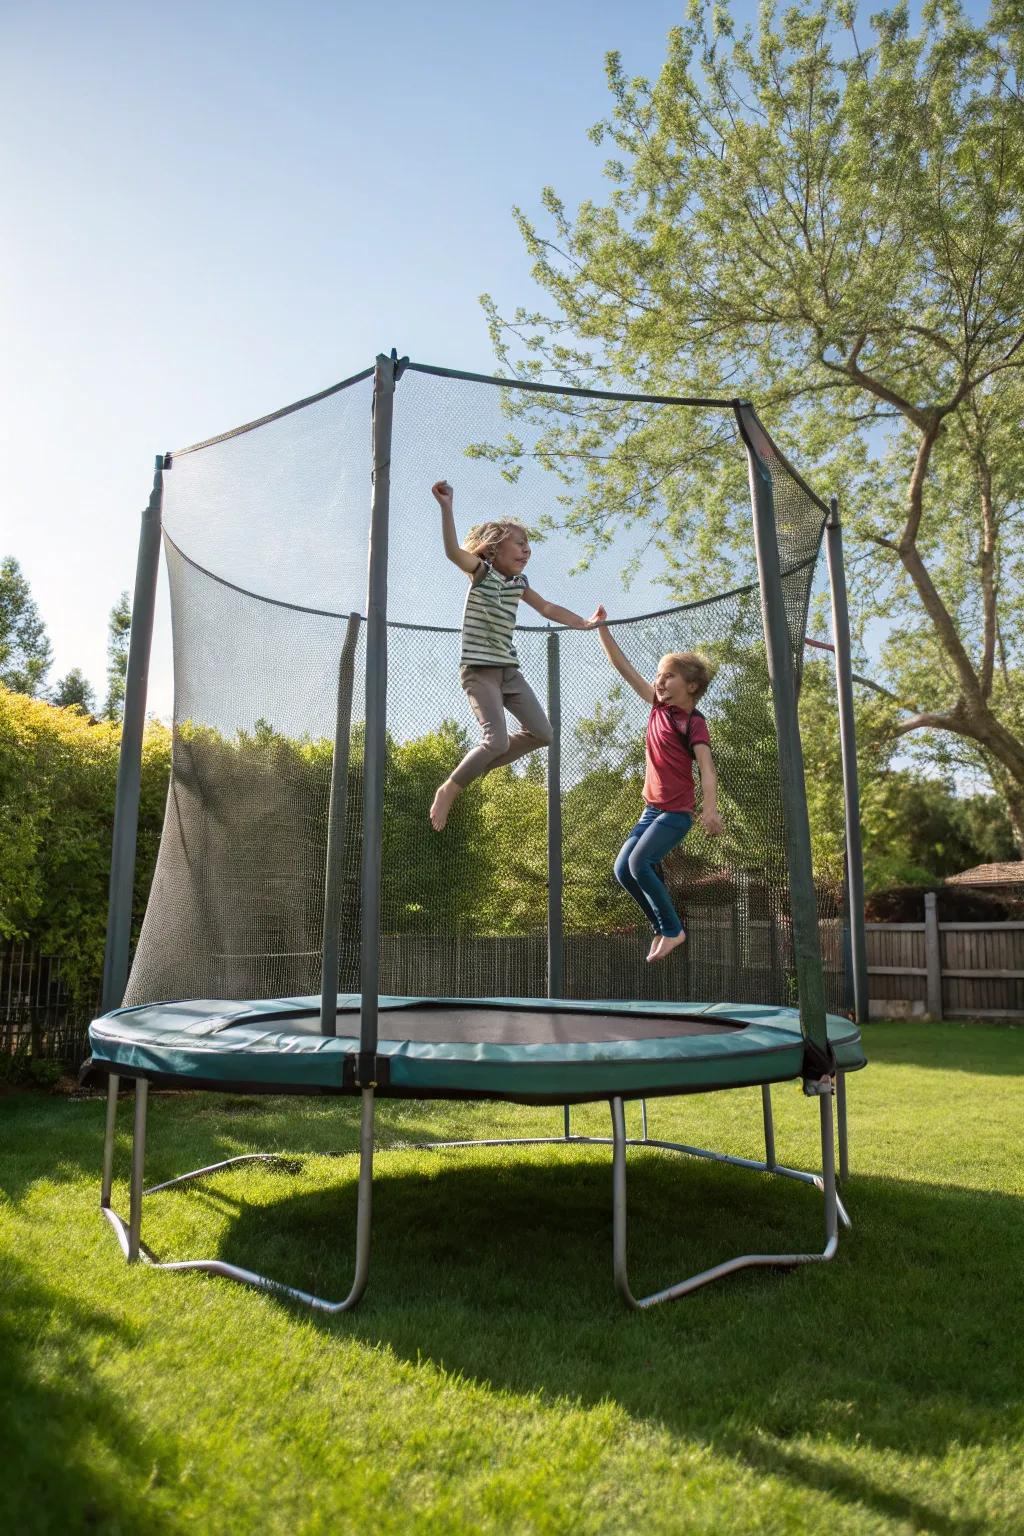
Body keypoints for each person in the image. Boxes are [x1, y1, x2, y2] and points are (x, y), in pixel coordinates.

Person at [429, 479, 603, 831]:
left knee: (543, 733)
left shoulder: (519, 585)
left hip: (509, 671)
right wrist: (447, 509)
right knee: (495, 739)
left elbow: (548, 607)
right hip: (479, 672)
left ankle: (475, 767)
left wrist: (582, 622)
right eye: (520, 544)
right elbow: (452, 553)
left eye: (529, 545)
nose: (527, 550)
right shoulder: (483, 573)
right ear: (494, 549)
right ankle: (449, 788)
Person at [595, 610, 724, 960]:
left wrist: (709, 809)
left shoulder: (694, 723)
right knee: (623, 870)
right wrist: (603, 629)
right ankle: (663, 928)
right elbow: (623, 667)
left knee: (640, 864)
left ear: (691, 686)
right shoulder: (656, 707)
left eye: (669, 676)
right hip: (651, 810)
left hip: (676, 813)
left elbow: (707, 770)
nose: (660, 681)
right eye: (658, 676)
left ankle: (672, 929)